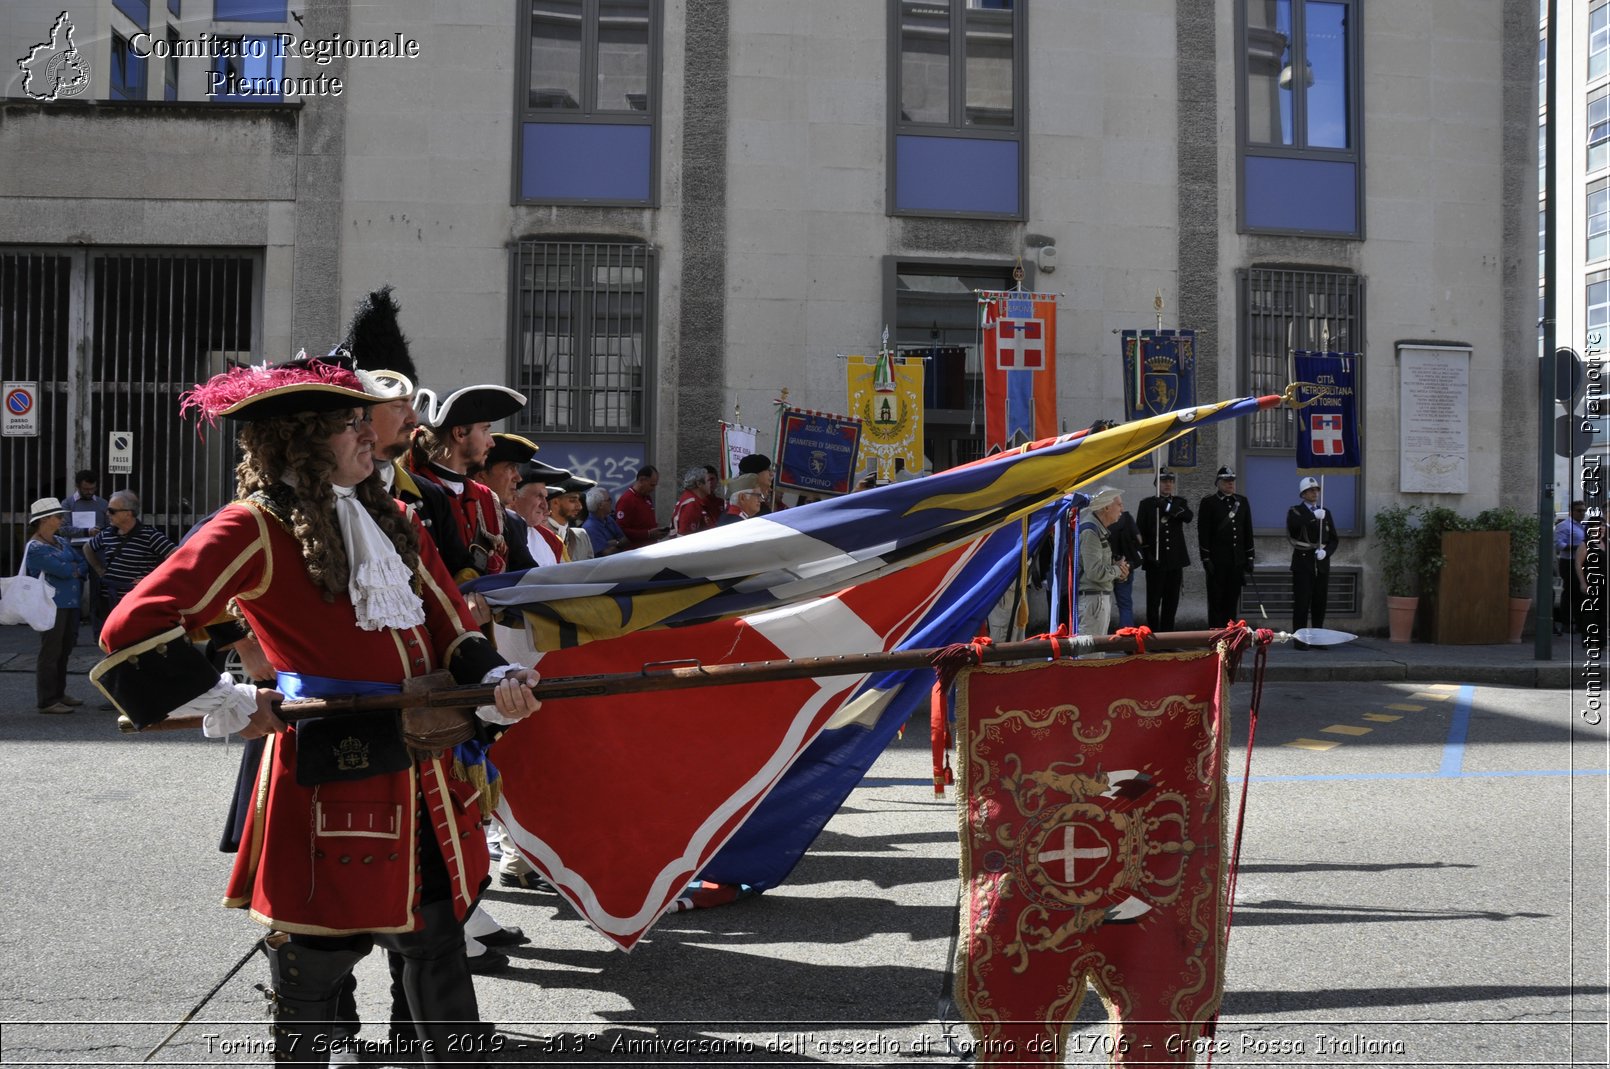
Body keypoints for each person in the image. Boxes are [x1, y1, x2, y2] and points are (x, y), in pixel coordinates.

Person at [95, 356, 542, 1067]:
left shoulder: (393, 517)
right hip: (330, 778)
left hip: (422, 777)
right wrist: (234, 700)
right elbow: (134, 623)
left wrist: (499, 678)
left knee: (438, 945)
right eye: (349, 423)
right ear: (301, 437)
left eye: (366, 419)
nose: (370, 434)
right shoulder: (254, 526)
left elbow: (452, 627)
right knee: (312, 967)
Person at [405, 383, 527, 582]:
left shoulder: (488, 500)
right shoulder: (412, 494)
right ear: (460, 433)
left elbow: (523, 574)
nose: (491, 442)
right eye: (485, 430)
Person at [23, 497, 87, 714]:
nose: (62, 520)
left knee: (65, 649)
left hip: (69, 602)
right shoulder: (34, 547)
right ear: (44, 520)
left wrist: (70, 567)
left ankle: (59, 694)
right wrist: (70, 568)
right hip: (50, 604)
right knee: (50, 651)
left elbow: (81, 563)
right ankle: (47, 700)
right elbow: (65, 569)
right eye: (59, 516)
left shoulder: (60, 541)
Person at [84, 491, 177, 619]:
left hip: (135, 603)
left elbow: (177, 557)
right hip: (108, 600)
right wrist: (98, 568)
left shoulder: (150, 536)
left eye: (112, 511)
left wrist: (155, 580)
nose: (107, 514)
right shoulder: (107, 533)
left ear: (128, 513)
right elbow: (87, 547)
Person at [1136, 469, 1193, 632]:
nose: (1168, 484)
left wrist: (1167, 506)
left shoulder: (1179, 502)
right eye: (1163, 481)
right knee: (1153, 602)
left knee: (1171, 601)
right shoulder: (1146, 504)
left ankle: (1168, 636)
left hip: (1175, 561)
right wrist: (1147, 555)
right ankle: (1153, 636)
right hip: (1155, 560)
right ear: (1156, 484)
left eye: (1170, 481)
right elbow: (1140, 532)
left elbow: (1188, 517)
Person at [1286, 476, 1339, 649]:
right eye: (1310, 490)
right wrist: (1311, 517)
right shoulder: (1295, 511)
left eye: (1316, 490)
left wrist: (1326, 552)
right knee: (1302, 602)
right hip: (1303, 561)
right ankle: (1300, 639)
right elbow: (1293, 528)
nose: (1315, 493)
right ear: (1303, 494)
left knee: (1319, 602)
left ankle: (1317, 637)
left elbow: (1334, 539)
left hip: (1321, 563)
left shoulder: (1326, 512)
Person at [1199, 466, 1255, 627]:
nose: (1230, 484)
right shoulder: (1209, 502)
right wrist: (1206, 558)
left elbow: (1247, 530)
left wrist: (1250, 557)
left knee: (1232, 600)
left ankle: (1230, 635)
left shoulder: (1242, 501)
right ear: (1218, 483)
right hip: (1217, 561)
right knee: (1216, 600)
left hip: (1236, 560)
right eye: (1226, 481)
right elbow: (1203, 532)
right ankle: (1216, 636)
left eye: (1232, 481)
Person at [1075, 487, 1129, 641]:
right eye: (1119, 504)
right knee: (1091, 657)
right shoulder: (1091, 532)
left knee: (1096, 655)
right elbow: (1094, 572)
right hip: (1093, 601)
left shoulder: (1097, 529)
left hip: (1096, 600)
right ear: (1106, 507)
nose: (1122, 509)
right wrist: (1118, 570)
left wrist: (1119, 570)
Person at [62, 470, 109, 622]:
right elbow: (63, 529)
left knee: (98, 593)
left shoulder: (102, 504)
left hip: (97, 552)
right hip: (76, 552)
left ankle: (98, 634)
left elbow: (110, 528)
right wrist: (86, 531)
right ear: (77, 486)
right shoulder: (68, 503)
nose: (89, 492)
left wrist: (100, 532)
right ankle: (72, 634)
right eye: (86, 489)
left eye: (92, 489)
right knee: (75, 591)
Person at [1105, 505, 1143, 631]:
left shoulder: (1101, 520)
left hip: (1105, 567)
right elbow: (1139, 539)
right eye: (1119, 504)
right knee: (1125, 604)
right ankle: (1127, 639)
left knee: (1101, 602)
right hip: (1125, 566)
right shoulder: (1126, 518)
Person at [1556, 500, 1588, 635]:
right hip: (1568, 562)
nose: (1582, 513)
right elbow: (1559, 545)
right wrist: (1579, 548)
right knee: (1569, 592)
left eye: (1583, 511)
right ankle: (1566, 623)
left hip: (1581, 563)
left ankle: (1579, 624)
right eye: (1579, 510)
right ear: (1571, 511)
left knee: (1581, 594)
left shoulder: (1583, 526)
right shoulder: (1564, 526)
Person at [547, 476, 597, 561]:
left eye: (579, 500)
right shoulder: (540, 536)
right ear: (555, 502)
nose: (580, 506)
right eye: (572, 500)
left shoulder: (581, 535)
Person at [615, 465, 665, 548]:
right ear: (641, 480)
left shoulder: (646, 497)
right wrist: (648, 534)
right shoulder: (627, 500)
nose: (653, 489)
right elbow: (621, 530)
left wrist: (657, 532)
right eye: (652, 485)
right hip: (635, 553)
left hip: (649, 549)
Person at [581, 487, 628, 555]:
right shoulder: (590, 527)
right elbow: (607, 553)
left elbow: (626, 540)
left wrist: (614, 543)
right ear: (600, 505)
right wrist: (619, 543)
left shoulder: (608, 518)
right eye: (609, 500)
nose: (611, 502)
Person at [673, 466, 715, 536]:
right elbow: (685, 536)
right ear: (699, 484)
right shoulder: (691, 504)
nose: (710, 484)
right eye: (708, 480)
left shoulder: (692, 499)